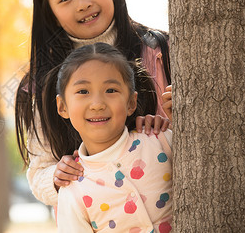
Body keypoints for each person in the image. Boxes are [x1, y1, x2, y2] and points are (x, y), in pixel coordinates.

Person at [15, 0, 172, 207]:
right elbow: (39, 170)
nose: (83, 3)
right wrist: (56, 176)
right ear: (49, 12)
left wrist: (175, 119)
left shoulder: (160, 51)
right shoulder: (41, 84)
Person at [42, 42, 172, 232]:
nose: (97, 104)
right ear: (62, 107)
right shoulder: (72, 190)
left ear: (131, 102)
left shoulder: (160, 140)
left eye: (110, 90)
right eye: (83, 91)